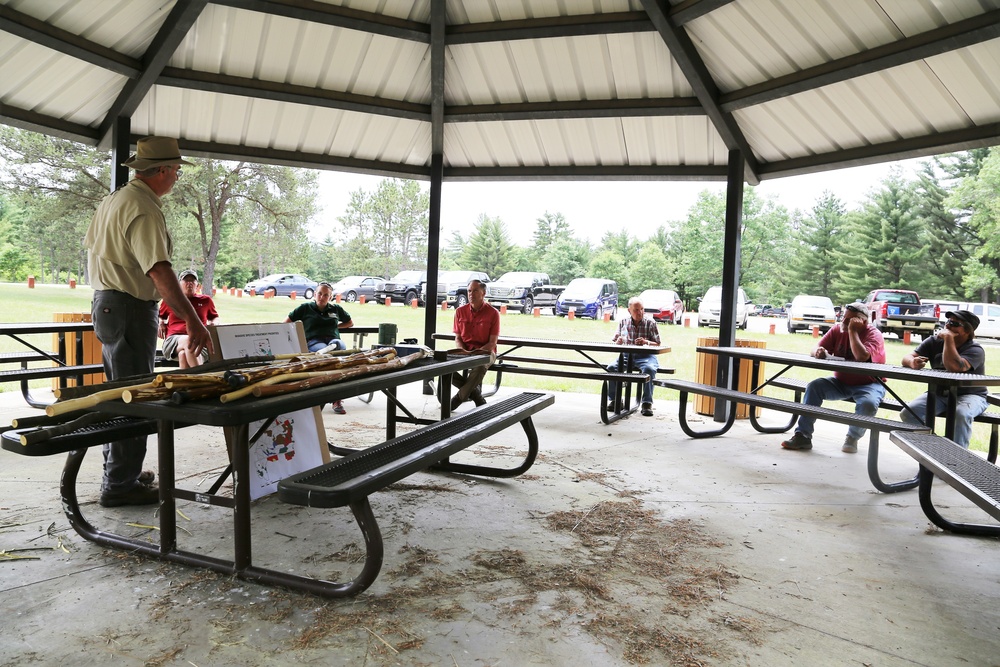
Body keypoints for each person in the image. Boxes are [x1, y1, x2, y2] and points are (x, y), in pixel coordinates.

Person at [84, 136, 213, 507]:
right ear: (161, 171)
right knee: (135, 398)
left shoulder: (115, 199)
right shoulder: (143, 207)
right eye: (174, 170)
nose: (175, 178)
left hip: (108, 304)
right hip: (129, 307)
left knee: (119, 393)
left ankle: (120, 471)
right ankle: (120, 485)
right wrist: (192, 320)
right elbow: (158, 269)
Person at [780, 302, 886, 453]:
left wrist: (853, 332)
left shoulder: (873, 334)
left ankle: (852, 437)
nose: (844, 321)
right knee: (815, 386)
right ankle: (802, 435)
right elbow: (814, 348)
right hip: (841, 382)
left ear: (862, 321)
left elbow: (862, 357)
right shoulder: (837, 330)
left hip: (869, 384)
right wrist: (818, 352)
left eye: (850, 319)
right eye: (844, 317)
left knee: (868, 403)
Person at [900, 310, 989, 449]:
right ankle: (929, 453)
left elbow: (954, 367)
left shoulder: (975, 349)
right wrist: (913, 362)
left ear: (967, 330)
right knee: (909, 413)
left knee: (960, 414)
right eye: (947, 322)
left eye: (954, 323)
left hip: (971, 395)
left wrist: (948, 339)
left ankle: (957, 459)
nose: (948, 326)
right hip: (940, 393)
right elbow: (906, 357)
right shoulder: (933, 341)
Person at [285, 281, 354, 414]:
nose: (322, 297)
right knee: (326, 356)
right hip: (314, 342)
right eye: (320, 294)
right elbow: (286, 323)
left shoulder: (335, 309)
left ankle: (336, 398)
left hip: (333, 341)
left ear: (331, 297)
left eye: (326, 295)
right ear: (315, 294)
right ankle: (325, 397)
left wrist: (336, 327)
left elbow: (350, 323)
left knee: (340, 348)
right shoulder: (305, 308)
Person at [450, 279, 500, 410]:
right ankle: (477, 396)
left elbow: (492, 342)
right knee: (443, 368)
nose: (471, 294)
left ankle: (456, 400)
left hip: (486, 352)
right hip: (464, 351)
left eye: (475, 291)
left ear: (483, 293)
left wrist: (475, 353)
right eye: (469, 291)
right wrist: (462, 351)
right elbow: (458, 337)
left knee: (479, 367)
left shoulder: (493, 313)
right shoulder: (460, 311)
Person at [607, 297, 660, 417]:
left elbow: (658, 343)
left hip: (646, 356)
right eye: (636, 310)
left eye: (642, 309)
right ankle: (615, 400)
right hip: (627, 355)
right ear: (629, 310)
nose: (640, 312)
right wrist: (619, 341)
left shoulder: (650, 323)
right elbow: (616, 340)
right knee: (611, 368)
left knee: (649, 370)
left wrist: (646, 342)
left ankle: (647, 403)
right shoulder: (623, 322)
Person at [159, 269, 219, 368]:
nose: (189, 283)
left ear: (197, 285)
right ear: (179, 284)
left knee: (183, 355)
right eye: (186, 280)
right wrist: (160, 322)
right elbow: (160, 316)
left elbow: (215, 317)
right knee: (188, 341)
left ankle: (189, 382)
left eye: (192, 281)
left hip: (200, 341)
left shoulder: (206, 300)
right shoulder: (170, 300)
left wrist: (213, 324)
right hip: (174, 341)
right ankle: (203, 379)